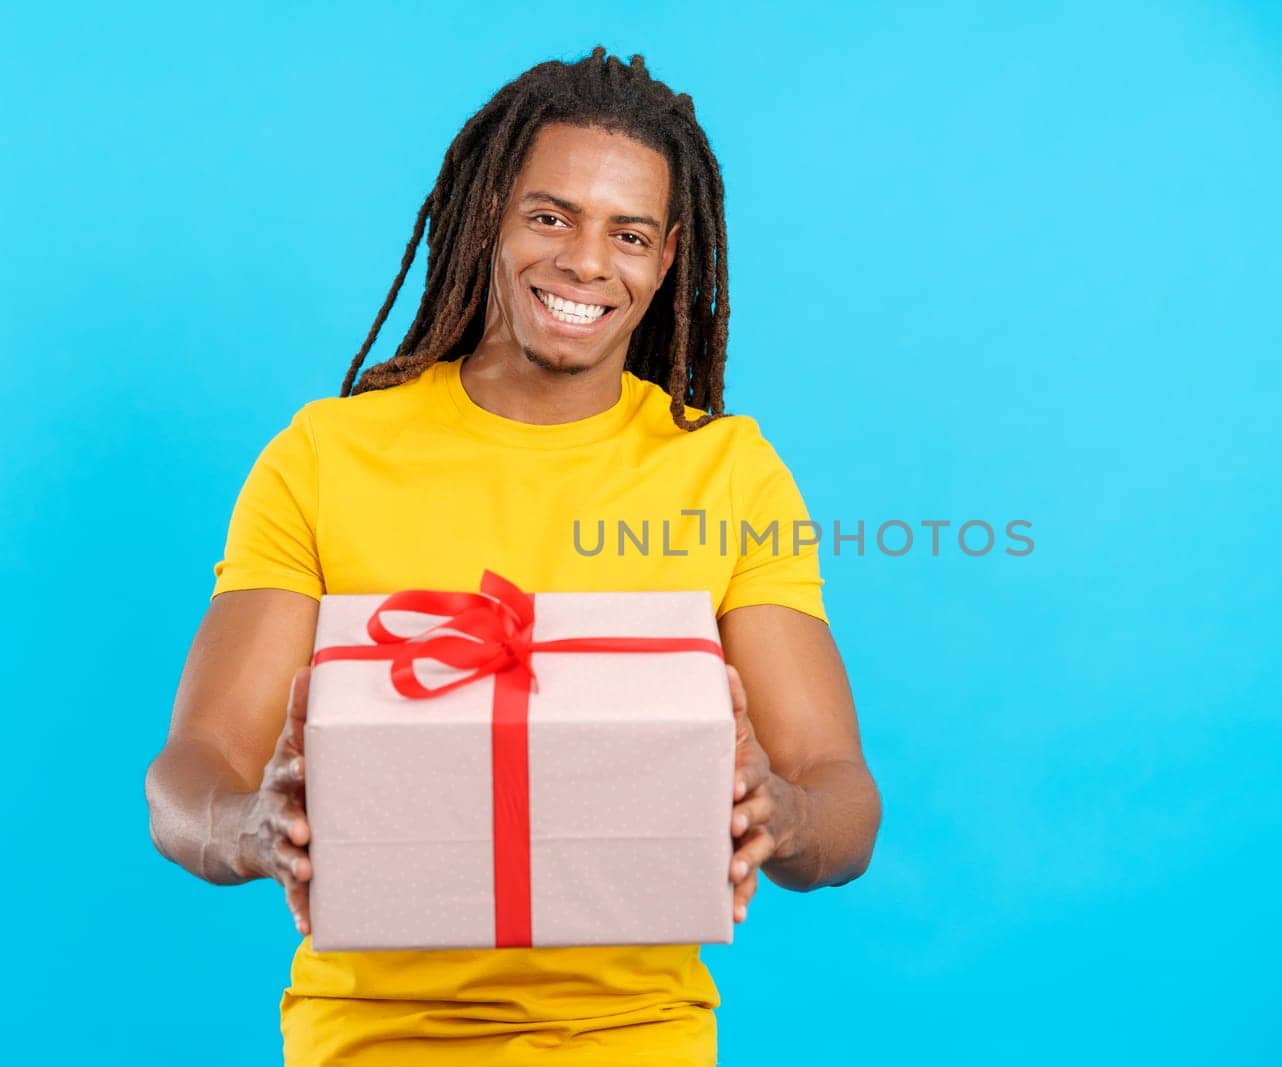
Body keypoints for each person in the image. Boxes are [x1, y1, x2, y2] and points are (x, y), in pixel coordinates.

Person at [145, 47, 881, 1066]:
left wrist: (784, 812)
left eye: (626, 233)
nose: (586, 262)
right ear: (486, 213)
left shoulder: (728, 475)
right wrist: (249, 827)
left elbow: (841, 794)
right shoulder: (325, 457)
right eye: (550, 216)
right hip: (372, 1036)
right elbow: (192, 771)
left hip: (639, 1035)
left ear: (666, 258)